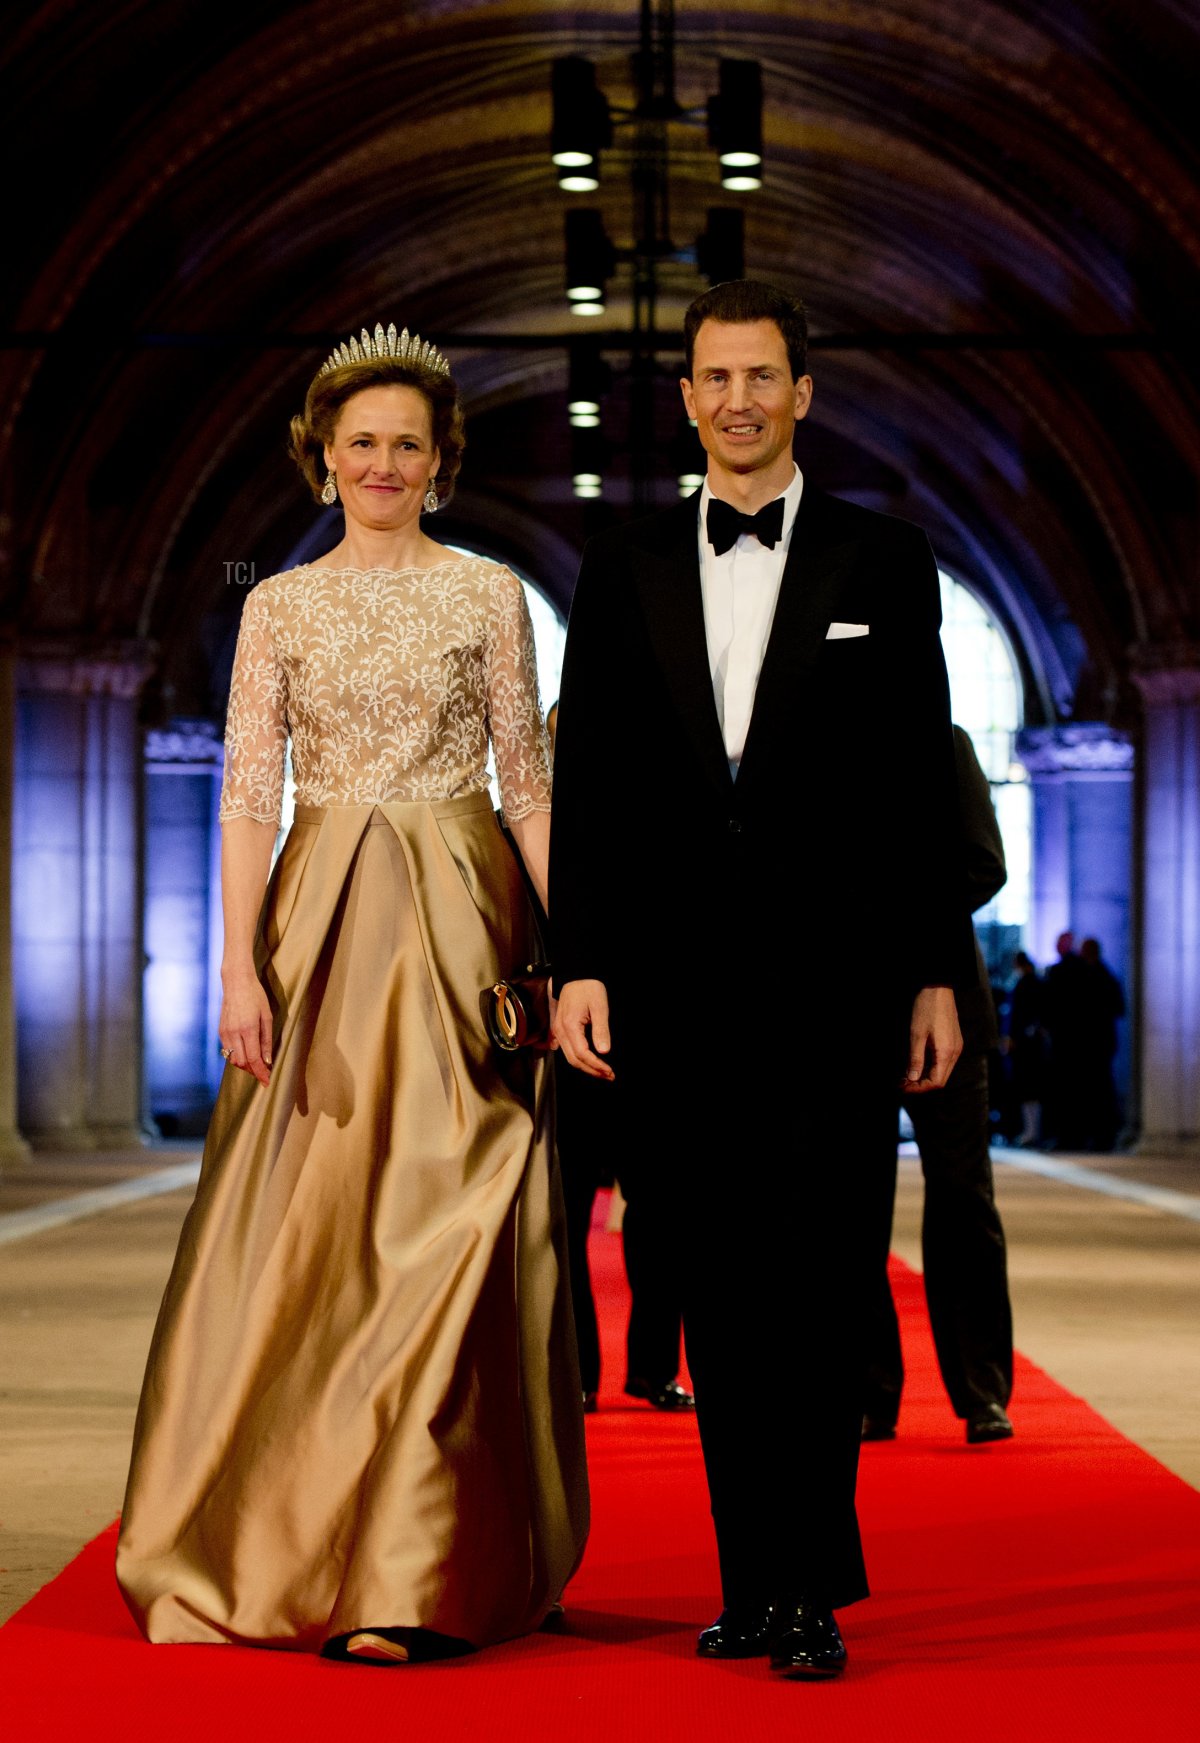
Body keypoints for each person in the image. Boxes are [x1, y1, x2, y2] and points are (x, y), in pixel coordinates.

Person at [116, 323, 588, 1664]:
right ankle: (297, 1539)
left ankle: (419, 1565)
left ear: (442, 460)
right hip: (317, 932)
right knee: (311, 1239)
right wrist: (235, 967)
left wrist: (583, 946)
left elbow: (526, 785)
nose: (383, 463)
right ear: (322, 457)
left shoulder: (491, 594)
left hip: (464, 921)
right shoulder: (277, 606)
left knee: (461, 1217)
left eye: (407, 444)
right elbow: (246, 796)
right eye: (361, 442)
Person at [550, 279, 970, 1682]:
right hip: (674, 988)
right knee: (718, 1288)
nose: (738, 399)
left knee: (826, 1279)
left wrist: (933, 973)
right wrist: (581, 959)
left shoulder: (886, 559)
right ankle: (753, 1582)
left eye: (761, 375)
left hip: (841, 982)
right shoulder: (620, 566)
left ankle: (809, 1586)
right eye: (715, 377)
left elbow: (917, 781)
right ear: (686, 399)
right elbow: (588, 781)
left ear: (804, 393)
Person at [862, 725, 1015, 1446]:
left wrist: (893, 921)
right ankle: (870, 1392)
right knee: (855, 1211)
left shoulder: (943, 741)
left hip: (950, 1005)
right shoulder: (812, 740)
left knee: (962, 1201)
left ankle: (983, 1390)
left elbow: (986, 864)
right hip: (849, 1016)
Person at [547, 702, 694, 1415]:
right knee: (566, 1217)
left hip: (648, 1046)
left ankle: (654, 1369)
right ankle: (577, 1372)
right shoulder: (528, 831)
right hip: (562, 1051)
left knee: (660, 1215)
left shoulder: (653, 826)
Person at [1043, 931, 1091, 1147]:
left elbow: (1050, 1005)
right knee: (1075, 1090)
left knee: (1065, 1090)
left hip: (1065, 1040)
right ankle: (1075, 1136)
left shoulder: (1061, 971)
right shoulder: (1082, 969)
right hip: (1077, 1040)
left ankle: (1066, 1135)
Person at [1078, 938, 1126, 1150]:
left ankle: (1100, 1135)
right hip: (1101, 1042)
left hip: (1095, 1043)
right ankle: (1101, 1135)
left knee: (1097, 1090)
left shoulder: (1093, 977)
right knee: (1100, 1089)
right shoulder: (1106, 976)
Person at [1006, 950, 1047, 1146]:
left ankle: (1031, 1132)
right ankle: (1032, 1131)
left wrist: (1014, 1037)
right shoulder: (1036, 983)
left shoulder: (1025, 985)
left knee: (1028, 1088)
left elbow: (1018, 1015)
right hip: (1032, 1044)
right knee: (1032, 1088)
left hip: (1026, 1045)